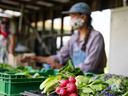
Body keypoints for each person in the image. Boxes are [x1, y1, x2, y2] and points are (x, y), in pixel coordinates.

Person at [21, 2, 107, 74]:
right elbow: (60, 57)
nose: (71, 20)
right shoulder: (74, 38)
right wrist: (36, 58)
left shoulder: (96, 37)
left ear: (83, 17)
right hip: (78, 78)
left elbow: (89, 67)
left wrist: (61, 67)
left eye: (72, 16)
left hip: (94, 81)